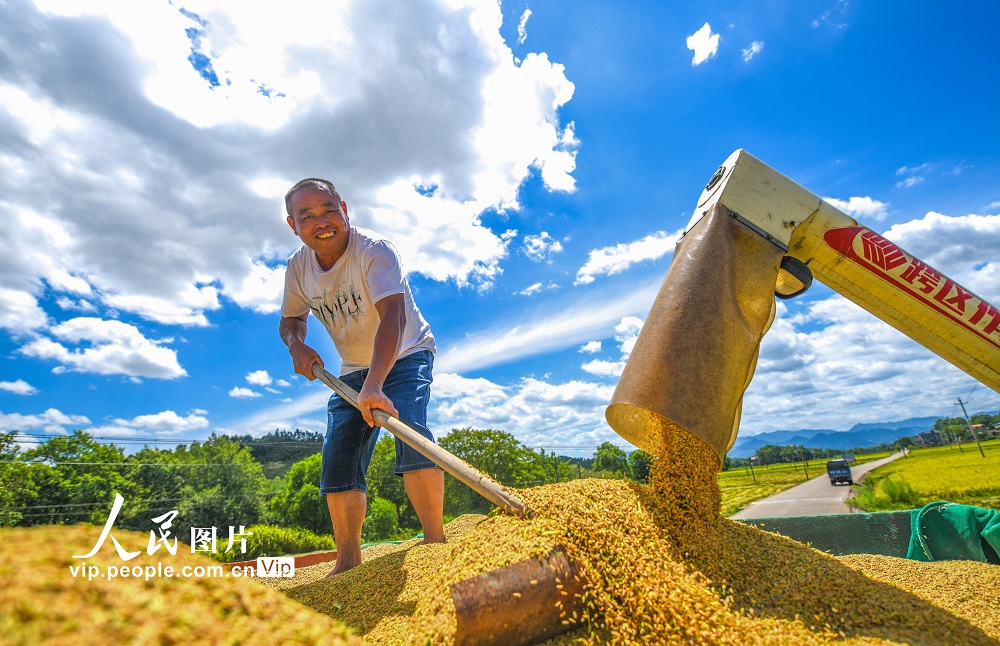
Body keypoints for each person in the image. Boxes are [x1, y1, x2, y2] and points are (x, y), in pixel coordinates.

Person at [278, 178, 445, 576]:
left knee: (409, 428)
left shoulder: (374, 251)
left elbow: (394, 316)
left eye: (329, 210)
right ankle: (348, 559)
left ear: (345, 209)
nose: (322, 221)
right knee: (339, 452)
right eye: (308, 216)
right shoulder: (298, 268)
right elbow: (290, 321)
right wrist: (296, 346)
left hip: (404, 352)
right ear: (293, 225)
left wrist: (375, 385)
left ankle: (435, 542)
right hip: (352, 369)